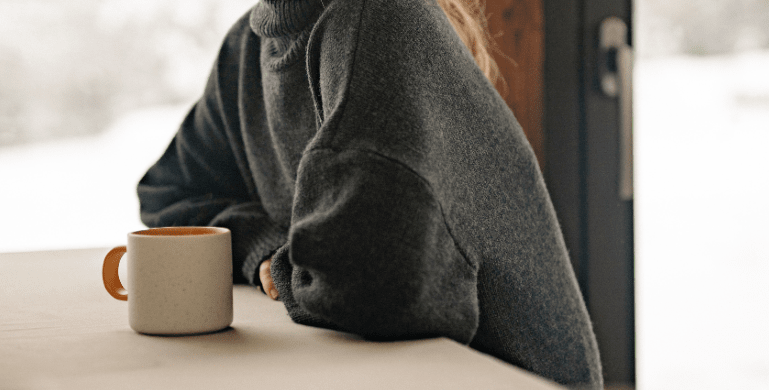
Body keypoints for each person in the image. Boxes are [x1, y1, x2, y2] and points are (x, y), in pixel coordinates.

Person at [137, 0, 604, 388]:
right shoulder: (249, 43)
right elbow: (168, 193)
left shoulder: (379, 16)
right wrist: (264, 248)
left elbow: (376, 289)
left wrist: (285, 266)